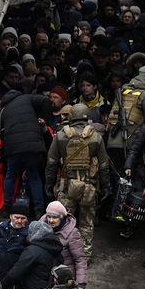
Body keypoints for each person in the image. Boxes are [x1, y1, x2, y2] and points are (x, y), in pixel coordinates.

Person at [46, 104, 109, 248]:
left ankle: (62, 251)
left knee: (63, 220)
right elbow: (104, 165)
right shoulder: (96, 137)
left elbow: (51, 163)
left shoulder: (61, 135)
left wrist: (48, 184)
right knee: (86, 222)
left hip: (66, 185)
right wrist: (106, 187)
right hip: (89, 185)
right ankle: (85, 254)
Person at [0, 85, 54, 212]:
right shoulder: (27, 98)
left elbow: (1, 133)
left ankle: (6, 206)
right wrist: (44, 119)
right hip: (32, 144)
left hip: (13, 146)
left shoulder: (2, 111)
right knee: (34, 175)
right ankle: (39, 209)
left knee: (11, 174)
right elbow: (46, 100)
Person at [0, 201, 33, 281]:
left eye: (23, 218)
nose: (19, 221)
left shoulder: (29, 232)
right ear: (10, 216)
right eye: (16, 217)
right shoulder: (0, 227)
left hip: (14, 275)